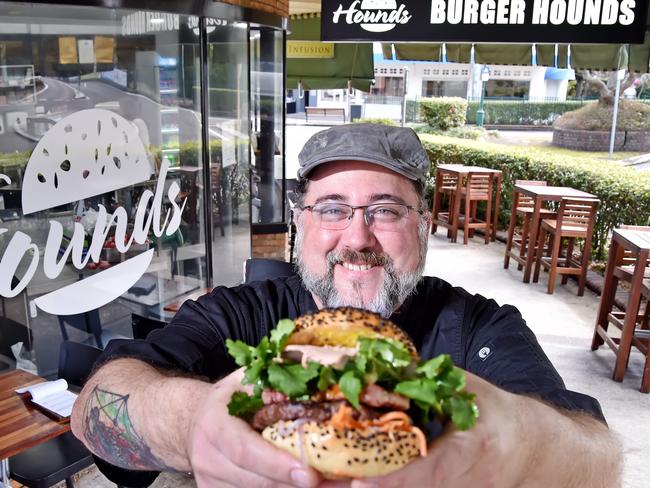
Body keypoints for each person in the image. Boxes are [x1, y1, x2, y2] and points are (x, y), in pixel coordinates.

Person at [71, 124, 622, 488]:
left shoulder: (477, 326)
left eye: (385, 211)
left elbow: (598, 459)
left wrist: (513, 435)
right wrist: (195, 420)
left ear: (423, 229)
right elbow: (98, 401)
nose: (358, 238)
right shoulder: (239, 314)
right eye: (332, 210)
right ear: (299, 226)